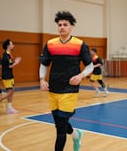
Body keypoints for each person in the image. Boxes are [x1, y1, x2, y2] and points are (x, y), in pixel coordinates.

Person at [39, 11, 94, 151]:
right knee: (59, 123)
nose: (62, 27)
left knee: (60, 132)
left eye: (65, 24)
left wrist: (81, 76)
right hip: (53, 88)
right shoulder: (50, 44)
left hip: (70, 90)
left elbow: (90, 66)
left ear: (71, 27)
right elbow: (44, 64)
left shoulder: (80, 44)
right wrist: (42, 79)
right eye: (59, 25)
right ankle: (76, 135)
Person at [0, 39, 21, 114]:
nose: (13, 45)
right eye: (12, 44)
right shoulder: (6, 55)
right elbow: (10, 66)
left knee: (11, 91)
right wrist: (17, 62)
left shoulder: (9, 54)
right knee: (10, 92)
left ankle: (9, 108)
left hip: (10, 75)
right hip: (7, 76)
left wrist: (15, 61)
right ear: (8, 46)